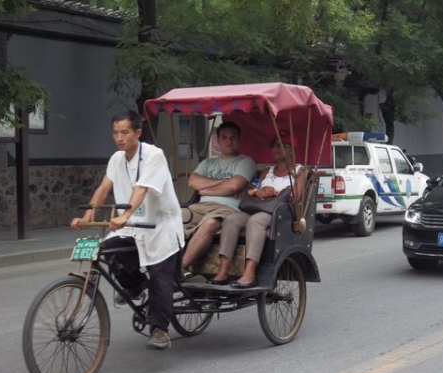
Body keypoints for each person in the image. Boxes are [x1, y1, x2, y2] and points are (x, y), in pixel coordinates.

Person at [71, 110, 183, 350]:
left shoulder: (154, 156)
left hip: (159, 227)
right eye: (115, 133)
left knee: (160, 277)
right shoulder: (117, 159)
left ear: (138, 133)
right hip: (131, 226)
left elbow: (141, 188)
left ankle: (160, 330)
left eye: (124, 132)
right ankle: (133, 286)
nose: (119, 138)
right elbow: (103, 188)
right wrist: (87, 216)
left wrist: (125, 215)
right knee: (107, 251)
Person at [209, 137, 306, 288]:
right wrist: (260, 191)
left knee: (256, 221)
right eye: (273, 145)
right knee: (231, 220)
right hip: (258, 206)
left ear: (292, 150)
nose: (276, 148)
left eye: (282, 145)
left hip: (279, 213)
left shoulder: (299, 171)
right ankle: (223, 271)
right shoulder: (267, 170)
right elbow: (253, 188)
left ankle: (249, 273)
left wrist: (273, 193)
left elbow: (297, 197)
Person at [181, 121, 256, 272]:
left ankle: (179, 270)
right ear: (218, 141)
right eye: (224, 137)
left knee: (210, 224)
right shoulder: (208, 163)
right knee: (173, 217)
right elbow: (193, 181)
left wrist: (206, 190)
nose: (229, 141)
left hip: (226, 209)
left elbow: (233, 186)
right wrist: (223, 183)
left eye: (233, 137)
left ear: (239, 140)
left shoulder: (245, 162)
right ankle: (159, 267)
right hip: (199, 207)